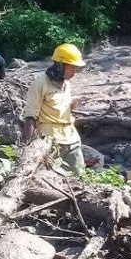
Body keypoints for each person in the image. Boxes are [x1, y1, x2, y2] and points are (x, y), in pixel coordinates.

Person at [23, 43, 86, 177]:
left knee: (79, 176)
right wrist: (28, 148)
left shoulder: (66, 83)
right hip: (50, 140)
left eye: (76, 68)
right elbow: (30, 116)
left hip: (71, 138)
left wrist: (74, 104)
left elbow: (60, 106)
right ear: (60, 65)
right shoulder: (40, 84)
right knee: (49, 177)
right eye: (72, 68)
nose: (74, 72)